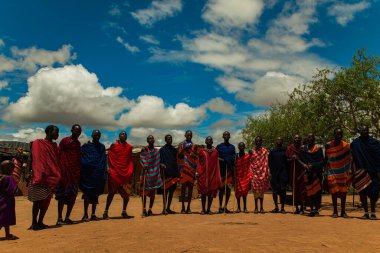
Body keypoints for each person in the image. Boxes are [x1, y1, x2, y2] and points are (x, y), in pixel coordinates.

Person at [28, 125, 61, 230]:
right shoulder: (37, 143)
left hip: (50, 177)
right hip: (39, 175)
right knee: (37, 200)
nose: (57, 135)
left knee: (46, 201)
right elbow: (31, 158)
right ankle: (34, 222)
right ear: (50, 131)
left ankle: (41, 222)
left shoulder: (54, 146)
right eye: (56, 132)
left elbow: (55, 161)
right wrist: (29, 171)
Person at [351, 125, 380, 219]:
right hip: (361, 171)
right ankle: (366, 213)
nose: (365, 131)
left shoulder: (375, 143)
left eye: (366, 130)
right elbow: (353, 158)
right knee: (362, 192)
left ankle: (373, 212)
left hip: (373, 171)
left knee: (374, 192)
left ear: (368, 131)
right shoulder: (355, 144)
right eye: (363, 130)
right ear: (360, 131)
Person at [103, 131, 134, 220]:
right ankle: (105, 212)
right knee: (111, 193)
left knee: (126, 195)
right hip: (115, 173)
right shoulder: (114, 146)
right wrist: (108, 167)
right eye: (120, 134)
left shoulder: (129, 147)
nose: (122, 135)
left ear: (126, 137)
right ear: (119, 136)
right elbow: (108, 155)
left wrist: (130, 171)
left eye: (124, 134)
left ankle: (124, 211)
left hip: (125, 174)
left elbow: (129, 160)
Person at [55, 124, 82, 225]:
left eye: (79, 131)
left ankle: (67, 217)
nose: (77, 133)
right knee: (61, 197)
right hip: (64, 172)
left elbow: (78, 157)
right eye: (76, 130)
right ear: (71, 130)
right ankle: (59, 218)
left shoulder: (78, 144)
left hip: (74, 174)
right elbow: (58, 153)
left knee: (73, 196)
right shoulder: (64, 141)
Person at [80, 130, 107, 222]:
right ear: (92, 135)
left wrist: (104, 172)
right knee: (87, 194)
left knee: (95, 195)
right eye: (95, 135)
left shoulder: (102, 147)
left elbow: (103, 160)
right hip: (88, 174)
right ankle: (85, 214)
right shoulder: (86, 146)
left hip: (98, 174)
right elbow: (81, 156)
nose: (97, 136)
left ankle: (93, 214)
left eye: (99, 135)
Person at [325, 128, 351, 218]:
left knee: (343, 192)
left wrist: (349, 172)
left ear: (342, 135)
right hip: (332, 171)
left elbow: (349, 159)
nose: (338, 136)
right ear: (334, 135)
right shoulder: (328, 145)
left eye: (340, 134)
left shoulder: (346, 146)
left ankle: (343, 212)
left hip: (343, 172)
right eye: (337, 134)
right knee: (334, 192)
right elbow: (326, 159)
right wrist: (326, 172)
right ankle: (335, 211)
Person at [299, 133, 324, 217]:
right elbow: (300, 160)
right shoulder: (303, 150)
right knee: (309, 191)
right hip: (308, 173)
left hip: (316, 173)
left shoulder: (318, 149)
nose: (310, 139)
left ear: (314, 139)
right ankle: (311, 208)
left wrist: (313, 165)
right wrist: (304, 165)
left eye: (312, 137)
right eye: (309, 137)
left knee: (317, 191)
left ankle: (316, 209)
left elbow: (322, 161)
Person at [140, 135, 163, 216]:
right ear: (147, 140)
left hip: (154, 175)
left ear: (154, 140)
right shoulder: (144, 150)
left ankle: (150, 209)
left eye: (152, 138)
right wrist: (144, 165)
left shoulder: (157, 151)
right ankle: (144, 209)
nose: (151, 140)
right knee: (144, 193)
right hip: (146, 175)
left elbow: (158, 161)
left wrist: (161, 165)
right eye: (149, 138)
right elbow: (142, 159)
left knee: (153, 194)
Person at [198, 136, 222, 214]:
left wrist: (217, 175)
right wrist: (198, 172)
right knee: (203, 192)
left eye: (210, 140)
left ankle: (208, 209)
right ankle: (203, 209)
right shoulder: (201, 151)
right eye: (207, 140)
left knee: (211, 193)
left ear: (212, 142)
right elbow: (199, 162)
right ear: (205, 141)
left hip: (212, 174)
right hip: (203, 175)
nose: (209, 141)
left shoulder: (215, 152)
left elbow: (217, 163)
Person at [177, 130, 199, 214]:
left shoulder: (194, 146)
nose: (189, 136)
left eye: (190, 135)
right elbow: (178, 155)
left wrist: (194, 156)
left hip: (191, 169)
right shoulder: (181, 145)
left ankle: (189, 207)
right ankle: (182, 207)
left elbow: (197, 158)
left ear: (192, 136)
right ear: (185, 135)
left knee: (190, 188)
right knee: (183, 188)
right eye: (188, 135)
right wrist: (183, 148)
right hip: (183, 169)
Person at [159, 134, 181, 214]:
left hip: (174, 173)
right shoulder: (162, 150)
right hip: (166, 173)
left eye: (170, 139)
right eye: (168, 139)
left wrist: (178, 173)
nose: (169, 140)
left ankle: (168, 208)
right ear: (165, 140)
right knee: (165, 192)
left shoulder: (174, 150)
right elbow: (159, 161)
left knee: (171, 192)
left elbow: (177, 161)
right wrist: (161, 164)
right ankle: (164, 208)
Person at [216, 131, 236, 213]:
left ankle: (225, 206)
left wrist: (230, 160)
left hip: (229, 171)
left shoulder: (232, 147)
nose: (226, 136)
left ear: (229, 137)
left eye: (228, 135)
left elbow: (234, 156)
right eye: (225, 135)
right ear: (223, 137)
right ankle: (220, 206)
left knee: (228, 189)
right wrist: (223, 160)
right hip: (221, 171)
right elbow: (215, 156)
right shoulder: (219, 146)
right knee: (221, 190)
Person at [250, 136, 270, 213]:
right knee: (255, 191)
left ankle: (261, 207)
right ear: (255, 142)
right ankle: (256, 207)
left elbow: (266, 162)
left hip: (262, 173)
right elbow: (250, 162)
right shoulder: (251, 151)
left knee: (261, 191)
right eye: (257, 141)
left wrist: (267, 172)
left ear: (261, 142)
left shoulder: (265, 151)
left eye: (259, 141)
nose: (258, 142)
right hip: (254, 173)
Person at [286, 134, 305, 214]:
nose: (297, 139)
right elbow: (286, 160)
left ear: (300, 140)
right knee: (295, 190)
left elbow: (305, 160)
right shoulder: (290, 148)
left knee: (302, 191)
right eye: (295, 138)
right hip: (293, 172)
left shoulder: (303, 148)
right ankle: (297, 207)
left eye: (298, 138)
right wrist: (291, 159)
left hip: (302, 172)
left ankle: (302, 208)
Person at [268, 137, 288, 214]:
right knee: (275, 191)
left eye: (280, 140)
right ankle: (276, 207)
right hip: (274, 174)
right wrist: (270, 173)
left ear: (282, 142)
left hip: (283, 173)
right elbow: (269, 163)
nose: (279, 141)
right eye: (278, 139)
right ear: (276, 141)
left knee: (283, 190)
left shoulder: (285, 151)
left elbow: (287, 161)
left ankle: (282, 208)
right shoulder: (272, 152)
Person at [0, 161, 18, 240]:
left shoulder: (1, 177)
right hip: (7, 201)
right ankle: (7, 235)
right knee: (4, 218)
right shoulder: (9, 178)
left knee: (3, 218)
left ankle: (7, 234)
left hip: (1, 200)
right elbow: (13, 190)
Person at [235, 142, 252, 213]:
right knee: (238, 192)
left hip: (245, 176)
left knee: (245, 192)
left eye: (243, 146)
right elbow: (234, 165)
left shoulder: (247, 156)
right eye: (240, 146)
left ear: (244, 147)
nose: (241, 147)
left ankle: (245, 207)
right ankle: (238, 207)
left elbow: (251, 161)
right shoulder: (236, 156)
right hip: (238, 176)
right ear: (238, 147)